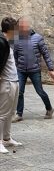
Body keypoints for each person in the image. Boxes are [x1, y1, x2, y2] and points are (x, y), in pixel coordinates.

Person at [13, 17, 54, 122]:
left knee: (40, 91)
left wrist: (51, 69)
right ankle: (19, 114)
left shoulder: (37, 38)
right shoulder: (16, 39)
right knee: (19, 92)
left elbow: (45, 53)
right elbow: (14, 55)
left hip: (35, 70)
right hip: (21, 70)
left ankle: (49, 108)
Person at [0, 17, 22, 154]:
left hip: (14, 81)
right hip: (7, 82)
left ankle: (7, 138)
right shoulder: (1, 43)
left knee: (10, 113)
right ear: (10, 30)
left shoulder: (7, 42)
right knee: (2, 114)